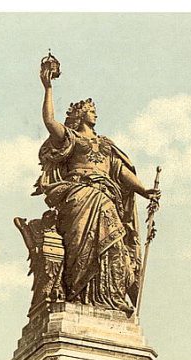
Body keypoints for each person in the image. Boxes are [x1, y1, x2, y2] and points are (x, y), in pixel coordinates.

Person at [36, 68, 160, 315]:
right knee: (80, 246)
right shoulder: (71, 138)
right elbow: (50, 122)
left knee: (114, 242)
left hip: (105, 195)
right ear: (81, 115)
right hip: (80, 195)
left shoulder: (106, 144)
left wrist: (144, 190)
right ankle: (77, 294)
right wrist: (48, 88)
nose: (96, 113)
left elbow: (120, 172)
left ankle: (110, 297)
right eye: (91, 110)